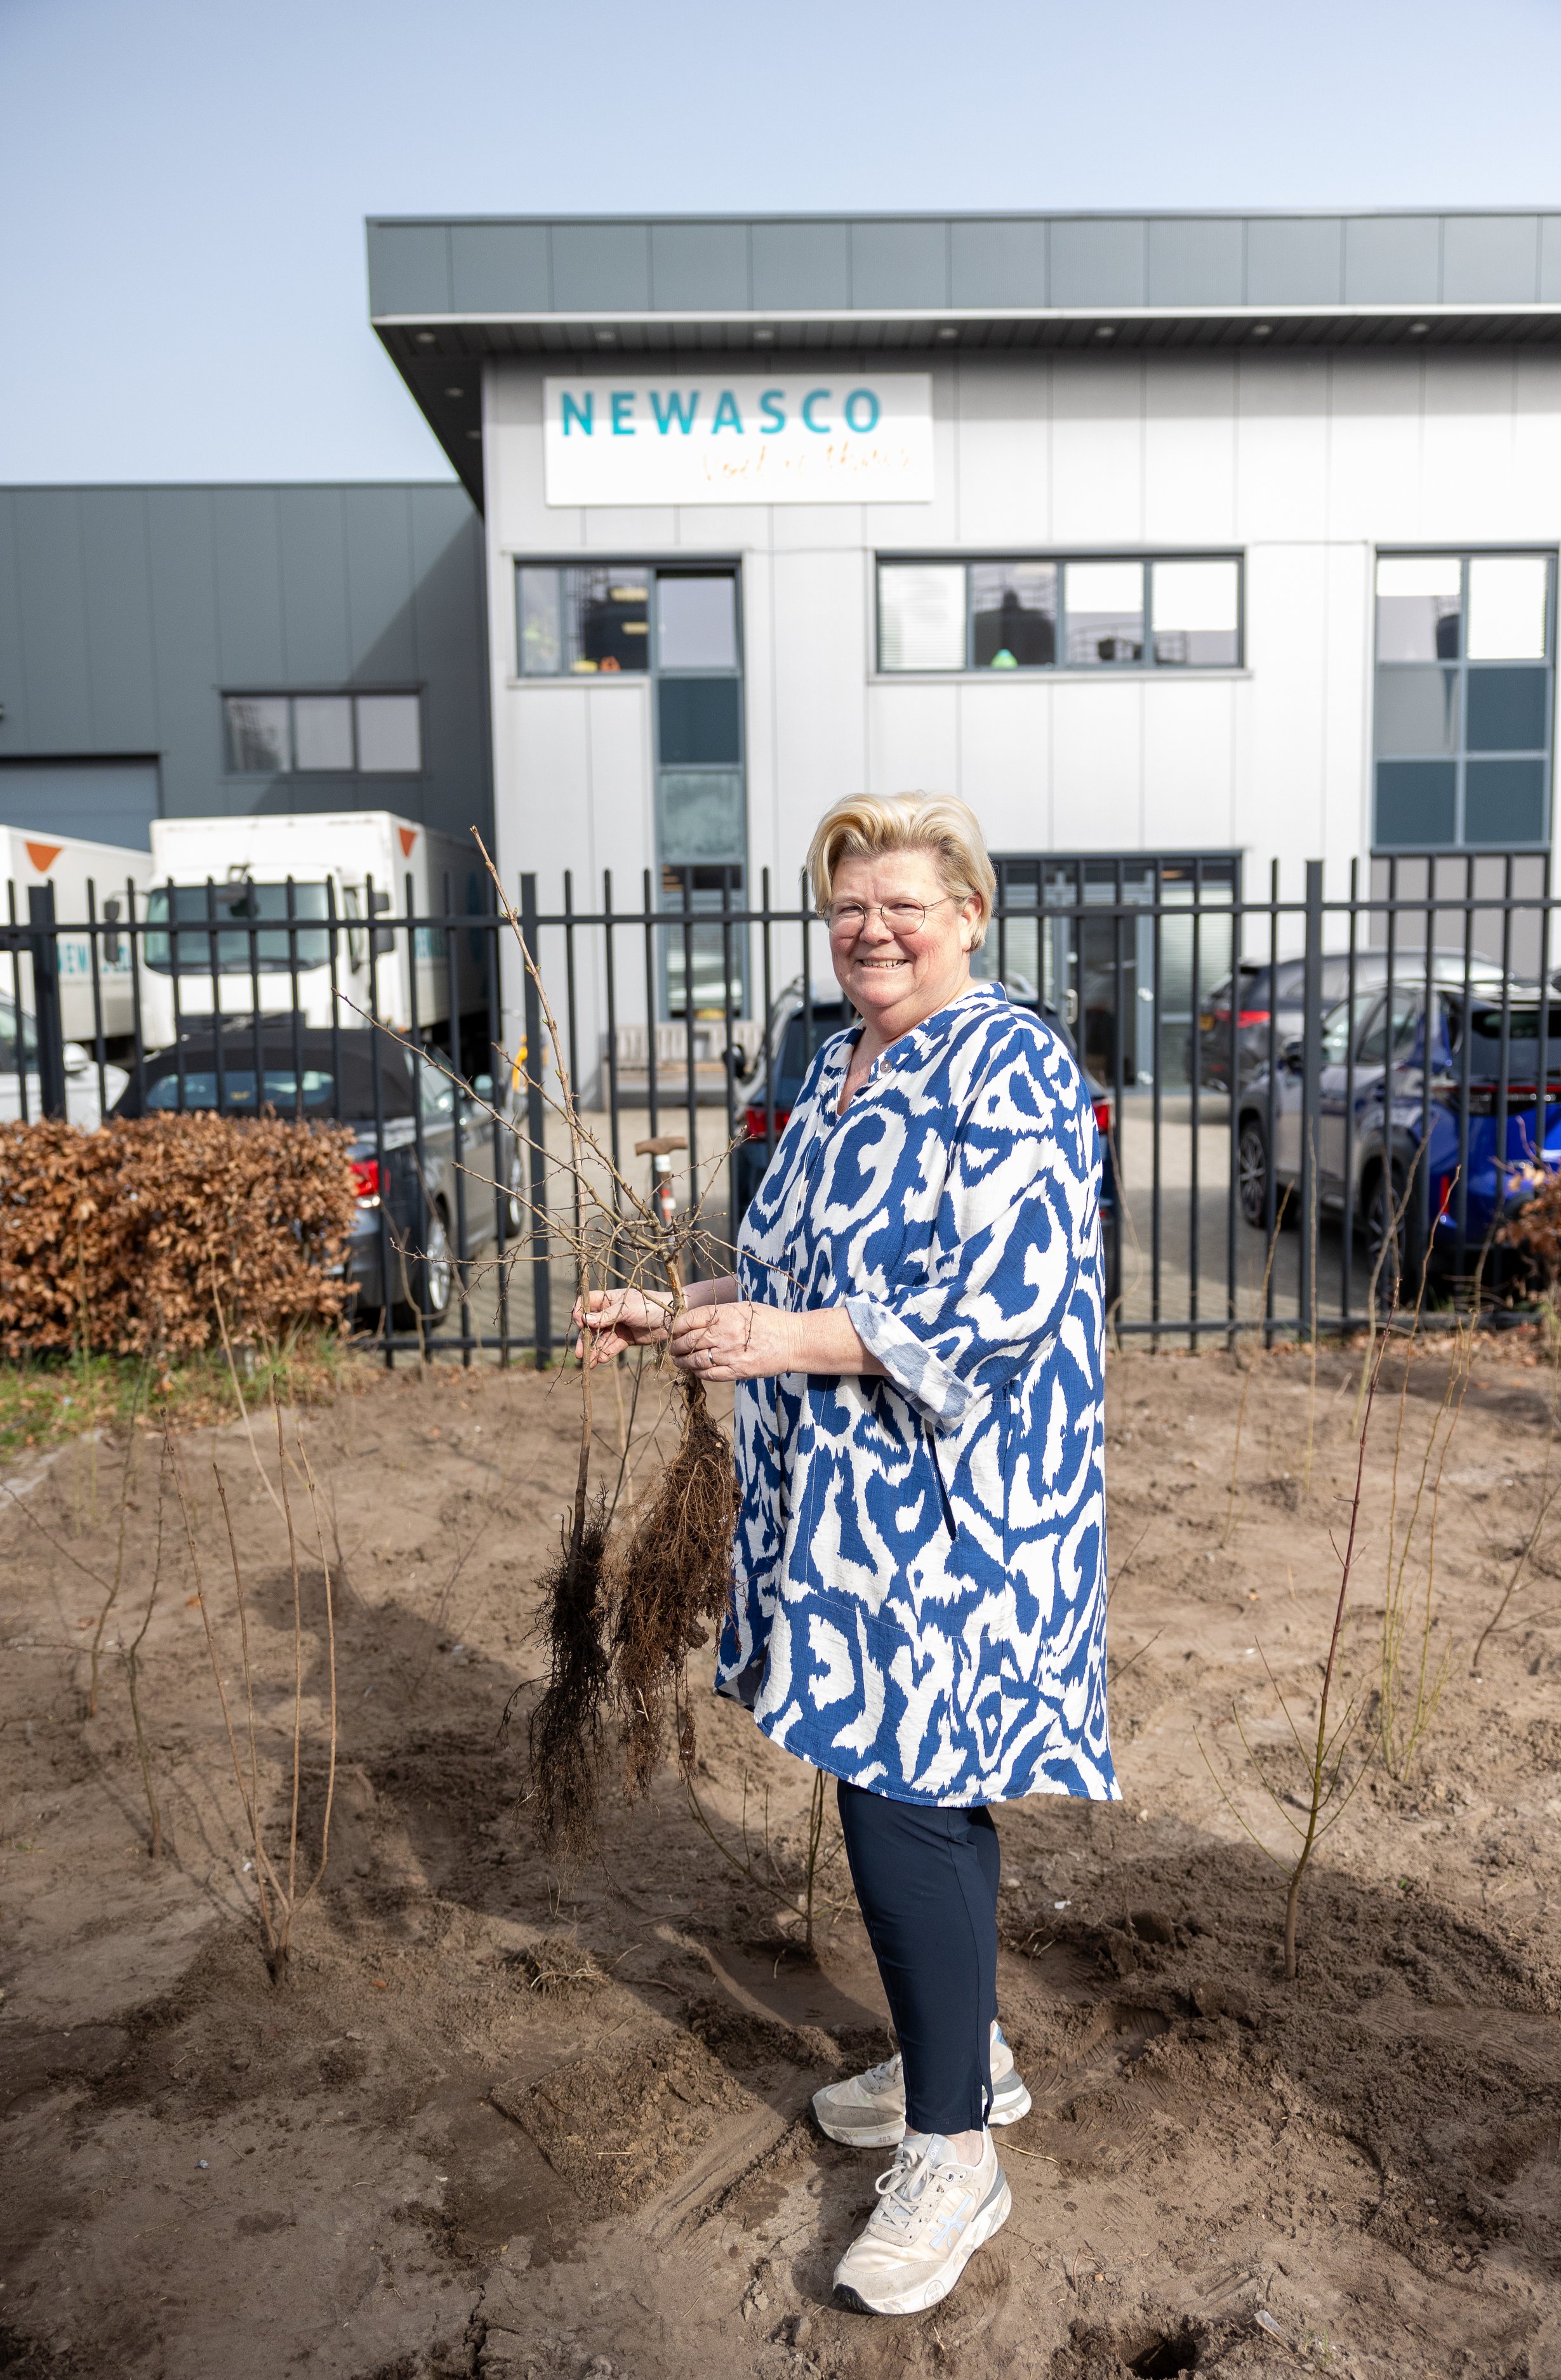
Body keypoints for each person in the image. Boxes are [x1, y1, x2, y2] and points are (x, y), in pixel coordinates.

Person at [581, 791, 1114, 2318]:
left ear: (968, 916)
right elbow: (786, 1268)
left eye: (902, 905)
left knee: (904, 1800)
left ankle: (954, 2153)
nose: (870, 931)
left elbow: (989, 1307)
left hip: (959, 1506)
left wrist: (773, 1341)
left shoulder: (1010, 1064)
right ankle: (965, 2057)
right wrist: (680, 1310)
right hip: (843, 1501)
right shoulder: (835, 1064)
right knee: (903, 1785)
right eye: (846, 908)